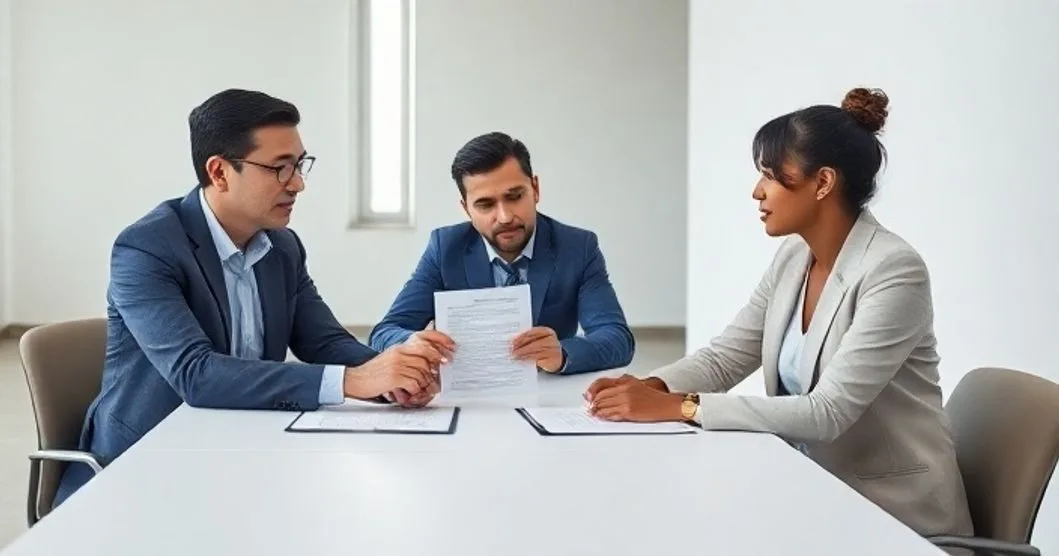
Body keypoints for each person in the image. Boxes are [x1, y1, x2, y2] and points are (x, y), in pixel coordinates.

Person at [584, 88, 974, 540]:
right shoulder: (794, 257)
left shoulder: (894, 271)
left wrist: (679, 406)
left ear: (823, 183)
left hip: (892, 520)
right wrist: (651, 385)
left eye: (770, 175)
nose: (757, 191)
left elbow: (827, 413)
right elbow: (725, 358)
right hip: (809, 492)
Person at [54, 89, 444, 507]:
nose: (297, 183)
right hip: (142, 471)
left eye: (299, 165)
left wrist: (394, 375)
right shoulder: (146, 248)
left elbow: (324, 341)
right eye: (279, 168)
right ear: (220, 172)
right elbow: (196, 374)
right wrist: (355, 380)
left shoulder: (283, 247)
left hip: (240, 452)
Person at [369, 132, 634, 400]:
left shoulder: (577, 247)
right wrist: (413, 345)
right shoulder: (445, 247)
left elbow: (617, 339)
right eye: (485, 205)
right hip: (467, 399)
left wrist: (563, 354)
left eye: (515, 196)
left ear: (535, 189)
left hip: (547, 395)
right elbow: (385, 332)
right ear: (466, 209)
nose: (505, 217)